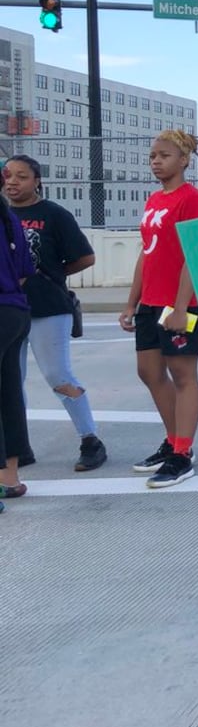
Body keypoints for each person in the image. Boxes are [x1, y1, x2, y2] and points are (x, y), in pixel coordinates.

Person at [119, 131, 198, 489]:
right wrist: (132, 302)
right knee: (149, 371)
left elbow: (193, 254)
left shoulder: (192, 199)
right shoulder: (155, 199)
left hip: (180, 304)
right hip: (151, 302)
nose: (156, 161)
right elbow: (147, 252)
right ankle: (173, 441)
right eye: (152, 156)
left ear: (184, 160)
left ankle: (182, 454)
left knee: (183, 376)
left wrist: (180, 306)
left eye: (164, 155)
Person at [3, 155, 105, 472]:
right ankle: (17, 449)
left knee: (57, 375)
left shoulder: (54, 215)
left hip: (48, 308)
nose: (12, 182)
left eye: (22, 176)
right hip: (9, 310)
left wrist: (55, 274)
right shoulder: (3, 213)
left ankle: (90, 440)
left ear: (37, 181)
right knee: (10, 382)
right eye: (8, 175)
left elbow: (85, 257)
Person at [0, 190, 36, 512]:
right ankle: (9, 478)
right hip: (13, 310)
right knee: (9, 394)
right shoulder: (9, 218)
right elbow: (24, 270)